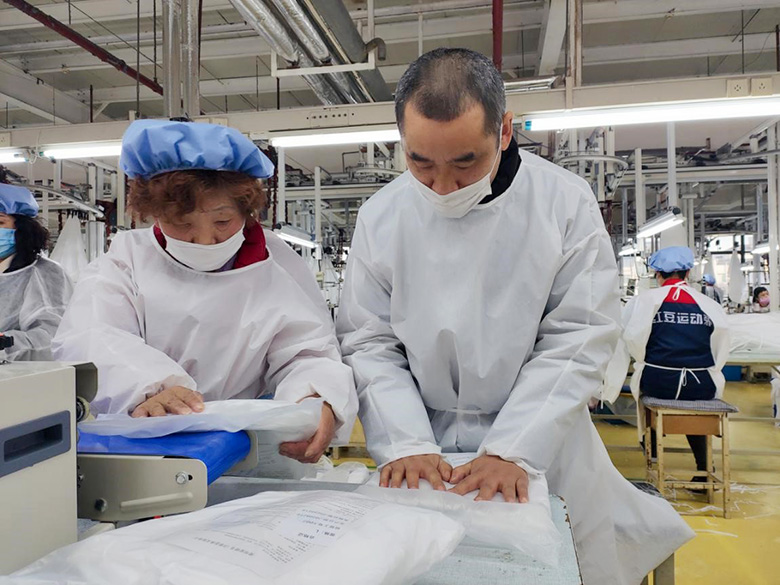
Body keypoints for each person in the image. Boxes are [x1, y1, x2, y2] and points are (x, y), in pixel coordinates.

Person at [336, 48, 693, 585]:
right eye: (421, 163)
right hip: (422, 445)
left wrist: (514, 450)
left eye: (464, 163)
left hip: (542, 443)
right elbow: (369, 340)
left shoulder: (563, 203)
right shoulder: (381, 215)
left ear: (504, 131)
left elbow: (579, 335)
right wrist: (404, 440)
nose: (442, 187)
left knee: (561, 568)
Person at [53, 119, 357, 463]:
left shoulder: (277, 267)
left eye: (222, 221)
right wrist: (149, 387)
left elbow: (307, 354)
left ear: (247, 210)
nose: (204, 240)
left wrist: (314, 398)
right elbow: (92, 337)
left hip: (248, 449)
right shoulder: (126, 262)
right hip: (141, 448)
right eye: (181, 224)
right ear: (154, 214)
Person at [621, 247, 729, 484]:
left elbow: (631, 339)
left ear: (657, 274)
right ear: (688, 273)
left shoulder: (644, 301)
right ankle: (704, 469)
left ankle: (653, 454)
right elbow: (720, 346)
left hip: (659, 382)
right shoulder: (708, 304)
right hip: (701, 384)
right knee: (694, 405)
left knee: (645, 393)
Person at [0, 183, 72, 361]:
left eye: (0, 222)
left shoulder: (44, 273)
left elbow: (52, 338)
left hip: (22, 375)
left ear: (21, 228)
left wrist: (7, 343)